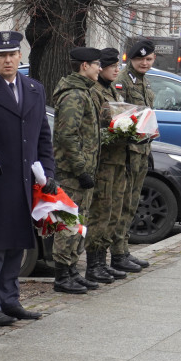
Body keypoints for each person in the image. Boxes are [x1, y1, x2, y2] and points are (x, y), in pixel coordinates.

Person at [0, 31, 54, 325]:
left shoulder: (34, 89)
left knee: (18, 242)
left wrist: (49, 172)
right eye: (1, 56)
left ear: (21, 57)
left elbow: (42, 135)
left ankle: (10, 299)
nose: (8, 60)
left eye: (12, 55)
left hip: (26, 181)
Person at [51, 47, 104, 294]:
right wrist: (81, 169)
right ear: (85, 66)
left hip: (81, 171)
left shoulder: (84, 92)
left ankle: (72, 270)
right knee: (68, 223)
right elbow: (67, 136)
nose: (100, 69)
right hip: (71, 173)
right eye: (97, 64)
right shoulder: (74, 95)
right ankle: (62, 275)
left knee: (78, 222)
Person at [83, 47, 130, 285]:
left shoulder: (111, 90)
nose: (116, 70)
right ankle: (94, 264)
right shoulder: (95, 92)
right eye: (113, 67)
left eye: (117, 67)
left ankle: (102, 261)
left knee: (112, 211)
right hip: (104, 161)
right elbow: (98, 125)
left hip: (117, 159)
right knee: (100, 213)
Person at [112, 40, 157, 272]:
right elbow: (120, 118)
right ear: (131, 59)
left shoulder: (144, 81)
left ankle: (124, 249)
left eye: (149, 59)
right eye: (141, 59)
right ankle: (117, 254)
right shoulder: (123, 82)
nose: (145, 63)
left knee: (132, 203)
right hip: (128, 152)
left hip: (142, 150)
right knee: (124, 203)